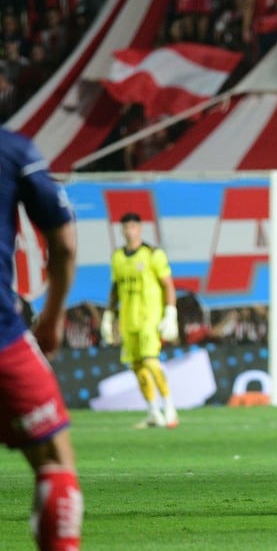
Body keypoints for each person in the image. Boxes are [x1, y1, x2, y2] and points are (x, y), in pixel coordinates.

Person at [0, 127, 84, 549]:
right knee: (55, 462)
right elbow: (64, 244)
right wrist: (52, 317)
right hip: (3, 340)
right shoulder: (13, 151)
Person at [101, 212, 181, 429]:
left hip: (149, 317)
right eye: (126, 227)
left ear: (140, 229)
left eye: (133, 227)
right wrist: (109, 316)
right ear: (122, 230)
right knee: (137, 366)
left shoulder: (153, 254)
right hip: (129, 319)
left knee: (150, 361)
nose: (130, 231)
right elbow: (115, 287)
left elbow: (168, 284)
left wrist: (170, 313)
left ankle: (170, 407)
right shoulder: (117, 257)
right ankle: (153, 411)